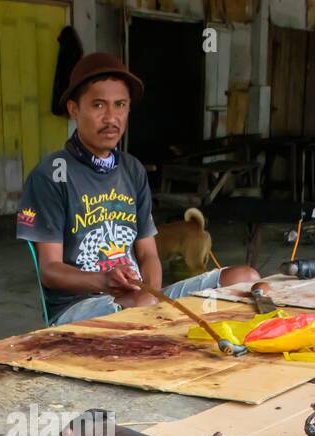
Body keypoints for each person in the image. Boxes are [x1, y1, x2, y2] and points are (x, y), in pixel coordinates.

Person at [16, 53, 259, 326]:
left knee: (245, 281)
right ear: (74, 109)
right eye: (98, 105)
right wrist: (104, 282)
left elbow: (148, 254)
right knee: (143, 305)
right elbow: (50, 270)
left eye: (120, 105)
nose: (111, 118)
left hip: (140, 298)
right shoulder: (51, 174)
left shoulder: (132, 169)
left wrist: (151, 295)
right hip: (78, 307)